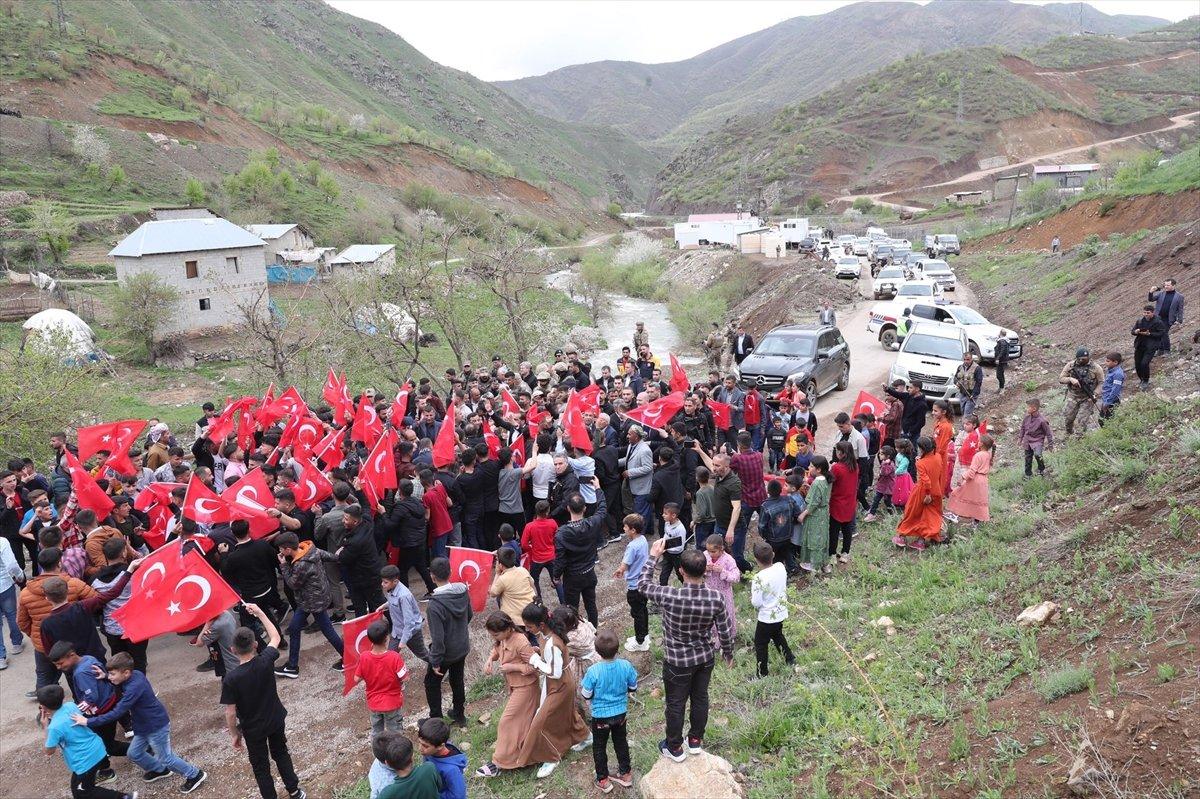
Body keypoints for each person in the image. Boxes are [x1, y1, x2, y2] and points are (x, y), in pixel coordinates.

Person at [638, 538, 734, 762]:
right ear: (705, 570)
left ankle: (674, 747)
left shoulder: (671, 595)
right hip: (704, 658)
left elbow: (642, 585)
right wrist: (728, 653)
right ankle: (695, 741)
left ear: (681, 571)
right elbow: (725, 630)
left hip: (677, 661)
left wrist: (653, 556)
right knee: (700, 698)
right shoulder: (716, 598)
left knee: (675, 703)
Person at [75, 651, 207, 792]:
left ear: (126, 673)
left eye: (113, 674)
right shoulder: (134, 674)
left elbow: (117, 712)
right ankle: (159, 770)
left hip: (156, 726)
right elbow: (118, 682)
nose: (110, 677)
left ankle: (195, 774)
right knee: (134, 753)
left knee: (166, 758)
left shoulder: (134, 687)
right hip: (143, 725)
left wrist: (88, 721)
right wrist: (106, 676)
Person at [220, 603, 306, 799]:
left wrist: (235, 734)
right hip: (275, 719)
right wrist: (259, 613)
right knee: (281, 752)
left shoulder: (231, 679)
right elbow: (275, 636)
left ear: (232, 649)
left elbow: (230, 712)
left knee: (261, 767)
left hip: (253, 729)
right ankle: (294, 790)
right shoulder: (265, 660)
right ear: (256, 645)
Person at [514, 604, 590, 778]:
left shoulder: (552, 643)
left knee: (542, 722)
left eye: (530, 627)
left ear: (541, 624)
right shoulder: (545, 635)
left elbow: (554, 671)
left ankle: (551, 756)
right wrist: (539, 653)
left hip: (560, 684)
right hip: (559, 682)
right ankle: (586, 736)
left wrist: (535, 660)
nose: (527, 630)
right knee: (567, 714)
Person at [18, 546, 96, 693]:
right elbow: (95, 601)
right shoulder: (73, 584)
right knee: (80, 678)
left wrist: (36, 636)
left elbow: (22, 623)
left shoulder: (25, 593)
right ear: (59, 563)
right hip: (73, 642)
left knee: (44, 679)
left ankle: (45, 711)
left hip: (42, 647)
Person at [39, 684, 134, 799]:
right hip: (98, 747)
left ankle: (125, 797)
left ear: (43, 707)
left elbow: (49, 751)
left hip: (85, 760)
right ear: (62, 698)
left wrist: (45, 727)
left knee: (83, 792)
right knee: (80, 786)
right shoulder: (70, 706)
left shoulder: (54, 727)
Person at [475, 612, 539, 778]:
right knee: (523, 723)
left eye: (496, 634)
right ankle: (527, 756)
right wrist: (490, 659)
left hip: (527, 687)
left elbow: (535, 666)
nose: (494, 637)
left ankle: (498, 763)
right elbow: (497, 648)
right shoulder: (503, 638)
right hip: (515, 686)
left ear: (509, 629)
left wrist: (513, 668)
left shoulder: (521, 642)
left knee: (507, 722)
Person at [274, 533, 344, 678]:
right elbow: (328, 556)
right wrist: (339, 556)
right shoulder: (310, 549)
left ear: (287, 550)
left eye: (281, 549)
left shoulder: (300, 564)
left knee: (328, 630)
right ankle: (292, 666)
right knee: (294, 629)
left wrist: (284, 566)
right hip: (316, 598)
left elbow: (293, 584)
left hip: (311, 602)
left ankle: (348, 659)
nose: (280, 552)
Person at [581, 629, 638, 793]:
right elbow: (633, 686)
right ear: (618, 649)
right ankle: (626, 774)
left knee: (599, 747)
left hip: (600, 717)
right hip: (620, 714)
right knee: (621, 742)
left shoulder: (593, 671)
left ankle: (603, 779)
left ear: (597, 652)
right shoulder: (626, 665)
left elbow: (586, 694)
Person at [552, 480, 607, 627]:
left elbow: (560, 560)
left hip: (572, 577)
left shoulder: (562, 533)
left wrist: (556, 577)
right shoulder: (593, 523)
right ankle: (594, 630)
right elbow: (602, 508)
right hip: (589, 572)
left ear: (568, 508)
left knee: (571, 609)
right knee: (591, 605)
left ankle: (575, 634)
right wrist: (598, 488)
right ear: (584, 508)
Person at [425, 557, 470, 727]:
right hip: (462, 646)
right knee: (457, 680)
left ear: (432, 576)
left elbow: (438, 638)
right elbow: (469, 615)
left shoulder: (434, 605)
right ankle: (459, 715)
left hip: (446, 653)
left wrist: (435, 660)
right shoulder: (463, 592)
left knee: (431, 683)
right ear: (450, 572)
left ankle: (436, 721)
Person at [356, 619, 409, 738]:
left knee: (376, 733)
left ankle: (379, 755)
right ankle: (395, 755)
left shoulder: (364, 657)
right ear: (387, 638)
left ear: (370, 639)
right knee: (395, 733)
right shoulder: (394, 657)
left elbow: (356, 679)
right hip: (392, 702)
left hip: (374, 703)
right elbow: (405, 678)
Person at [749, 542, 794, 677]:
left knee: (760, 644)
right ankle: (789, 658)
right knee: (777, 635)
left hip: (766, 617)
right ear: (773, 555)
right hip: (780, 611)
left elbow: (756, 602)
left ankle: (762, 673)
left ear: (756, 560)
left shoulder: (758, 578)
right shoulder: (780, 567)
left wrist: (752, 600)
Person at [893, 436, 944, 551]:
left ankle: (902, 536)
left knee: (912, 513)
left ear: (922, 448)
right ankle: (922, 540)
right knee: (929, 516)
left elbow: (926, 481)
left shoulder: (921, 463)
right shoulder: (938, 456)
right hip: (936, 490)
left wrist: (927, 494)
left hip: (923, 492)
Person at [614, 513, 650, 652]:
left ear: (633, 530)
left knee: (637, 614)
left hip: (635, 586)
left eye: (625, 527)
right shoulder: (643, 540)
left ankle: (640, 641)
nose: (623, 528)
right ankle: (644, 636)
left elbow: (626, 563)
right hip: (644, 582)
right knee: (643, 610)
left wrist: (620, 570)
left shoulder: (632, 546)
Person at [380, 565, 429, 664]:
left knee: (422, 654)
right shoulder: (392, 588)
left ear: (395, 581)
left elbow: (409, 622)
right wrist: (384, 606)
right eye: (382, 581)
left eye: (385, 582)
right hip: (397, 630)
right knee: (390, 656)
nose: (382, 584)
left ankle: (440, 665)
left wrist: (403, 641)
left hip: (411, 633)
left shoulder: (404, 596)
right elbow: (393, 601)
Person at [946, 434, 994, 527]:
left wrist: (963, 478)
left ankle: (955, 515)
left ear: (981, 444)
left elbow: (972, 471)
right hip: (983, 480)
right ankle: (976, 523)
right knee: (978, 500)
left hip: (975, 480)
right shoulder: (988, 454)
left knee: (957, 493)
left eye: (979, 441)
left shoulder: (978, 455)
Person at [520, 500, 561, 603]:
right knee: (556, 580)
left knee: (534, 581)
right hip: (551, 557)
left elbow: (524, 544)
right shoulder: (553, 523)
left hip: (537, 559)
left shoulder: (529, 526)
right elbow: (557, 538)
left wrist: (532, 548)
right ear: (547, 512)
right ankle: (564, 602)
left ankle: (539, 602)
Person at [795, 457, 831, 574]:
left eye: (811, 466)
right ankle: (823, 563)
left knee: (813, 538)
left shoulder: (816, 482)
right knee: (821, 537)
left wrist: (803, 514)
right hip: (823, 514)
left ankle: (814, 565)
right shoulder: (825, 479)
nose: (809, 468)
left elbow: (814, 503)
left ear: (819, 469)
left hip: (815, 515)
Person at [417, 718, 467, 799]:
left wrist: (432, 794)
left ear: (440, 746)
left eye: (425, 746)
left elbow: (458, 796)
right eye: (419, 742)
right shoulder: (429, 751)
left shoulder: (452, 770)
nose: (420, 748)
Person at [377, 736, 442, 799]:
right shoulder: (429, 769)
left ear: (387, 763)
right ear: (412, 755)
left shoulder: (387, 794)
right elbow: (440, 787)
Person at [1059, 348, 1104, 438]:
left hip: (1087, 397)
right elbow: (1061, 378)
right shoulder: (1070, 365)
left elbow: (1102, 382)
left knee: (1082, 420)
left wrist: (1095, 393)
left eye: (1085, 358)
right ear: (1077, 358)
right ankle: (1069, 433)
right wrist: (1071, 379)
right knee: (1068, 417)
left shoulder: (1096, 367)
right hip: (1073, 395)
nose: (1083, 360)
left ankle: (1080, 438)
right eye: (1081, 359)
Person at [828, 441, 859, 570]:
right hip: (850, 502)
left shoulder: (837, 468)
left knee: (834, 531)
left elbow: (829, 481)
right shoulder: (855, 466)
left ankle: (832, 554)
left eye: (837, 450)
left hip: (837, 503)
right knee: (847, 530)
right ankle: (846, 553)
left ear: (841, 453)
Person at [702, 534, 739, 640]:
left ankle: (725, 637)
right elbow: (698, 570)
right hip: (709, 591)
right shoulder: (705, 555)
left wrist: (723, 571)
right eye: (708, 551)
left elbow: (736, 577)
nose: (710, 554)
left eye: (713, 551)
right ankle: (713, 636)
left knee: (724, 615)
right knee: (710, 615)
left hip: (724, 593)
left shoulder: (728, 560)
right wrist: (705, 569)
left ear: (721, 548)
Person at [488, 546, 536, 627]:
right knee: (532, 637)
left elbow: (493, 593)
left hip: (515, 619)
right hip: (530, 613)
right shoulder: (523, 570)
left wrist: (497, 573)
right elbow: (532, 583)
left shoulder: (503, 579)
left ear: (500, 565)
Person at [757, 479, 796, 575]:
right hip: (787, 534)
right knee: (787, 551)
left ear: (768, 491)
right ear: (781, 489)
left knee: (775, 556)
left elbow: (762, 525)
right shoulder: (789, 500)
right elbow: (796, 513)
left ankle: (777, 572)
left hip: (773, 538)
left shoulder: (765, 506)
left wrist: (764, 536)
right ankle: (792, 568)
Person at [0, 534, 26, 671]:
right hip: (4, 584)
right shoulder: (2, 541)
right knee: (11, 614)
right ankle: (16, 643)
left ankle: (0, 657)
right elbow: (11, 564)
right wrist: (20, 576)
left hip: (4, 583)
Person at [1131, 305, 1167, 391]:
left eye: (1148, 313)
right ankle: (1141, 379)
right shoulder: (1140, 321)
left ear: (1152, 312)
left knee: (1144, 363)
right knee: (1137, 364)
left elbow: (1161, 334)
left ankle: (1146, 381)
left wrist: (1150, 334)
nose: (1146, 314)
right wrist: (1136, 332)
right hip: (1140, 345)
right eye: (1144, 312)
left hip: (1151, 346)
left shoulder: (1158, 322)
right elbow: (1132, 331)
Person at [883, 379, 929, 446]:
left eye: (911, 387)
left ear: (917, 389)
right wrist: (887, 389)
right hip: (904, 430)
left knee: (910, 452)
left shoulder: (922, 404)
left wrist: (910, 432)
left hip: (912, 435)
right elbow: (897, 394)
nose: (908, 389)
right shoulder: (909, 396)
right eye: (908, 387)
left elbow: (921, 422)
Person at [1018, 399, 1054, 479]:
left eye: (1028, 407)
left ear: (1034, 409)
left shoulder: (1042, 421)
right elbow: (1023, 428)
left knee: (1038, 455)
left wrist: (1050, 445)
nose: (1026, 409)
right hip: (1027, 441)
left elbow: (1048, 433)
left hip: (1037, 441)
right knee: (1028, 458)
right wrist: (1020, 439)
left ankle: (1041, 469)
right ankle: (1028, 474)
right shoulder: (1026, 418)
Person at [1148, 279, 1184, 354]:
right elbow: (1151, 299)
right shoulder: (1161, 294)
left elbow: (1180, 309)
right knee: (1159, 333)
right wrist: (1151, 292)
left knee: (1164, 332)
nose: (1166, 287)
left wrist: (1179, 320)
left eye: (1168, 285)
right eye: (1165, 285)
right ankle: (1160, 350)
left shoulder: (1179, 296)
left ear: (1173, 285)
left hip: (1169, 319)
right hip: (1158, 317)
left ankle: (1167, 350)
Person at [864, 446, 897, 523]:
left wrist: (884, 465)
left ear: (888, 456)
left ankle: (892, 514)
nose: (879, 455)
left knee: (887, 502)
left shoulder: (889, 465)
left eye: (882, 454)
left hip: (887, 488)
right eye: (880, 453)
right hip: (881, 487)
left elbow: (884, 473)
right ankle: (871, 514)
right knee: (876, 500)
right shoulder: (885, 462)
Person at [657, 502, 687, 586]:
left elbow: (679, 547)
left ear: (673, 515)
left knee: (680, 574)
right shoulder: (667, 523)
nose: (663, 515)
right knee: (664, 575)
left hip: (677, 556)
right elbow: (666, 535)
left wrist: (665, 547)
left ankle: (687, 589)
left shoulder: (680, 529)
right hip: (667, 554)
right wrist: (663, 542)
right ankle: (663, 589)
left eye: (665, 514)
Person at [1099, 352, 1126, 424]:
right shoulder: (1111, 370)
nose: (1105, 363)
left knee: (1107, 422)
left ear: (1115, 362)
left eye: (1108, 361)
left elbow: (1115, 390)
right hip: (1107, 399)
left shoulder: (1118, 374)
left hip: (1112, 401)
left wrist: (1107, 403)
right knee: (1102, 421)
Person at [954, 353, 983, 418]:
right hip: (962, 393)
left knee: (967, 414)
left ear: (971, 359)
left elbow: (979, 382)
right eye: (964, 359)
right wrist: (956, 383)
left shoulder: (977, 368)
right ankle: (968, 425)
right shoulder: (960, 367)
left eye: (968, 359)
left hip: (971, 395)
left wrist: (973, 394)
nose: (966, 361)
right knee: (963, 411)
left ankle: (965, 427)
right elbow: (955, 378)